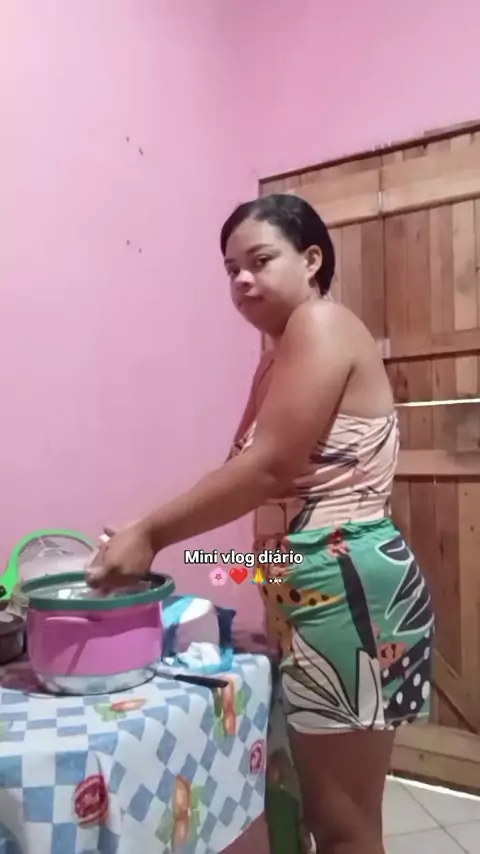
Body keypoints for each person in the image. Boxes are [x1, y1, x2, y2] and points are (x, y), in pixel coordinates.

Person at [88, 194, 435, 854]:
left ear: (312, 260)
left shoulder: (323, 323)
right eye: (230, 269)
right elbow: (253, 484)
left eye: (260, 260)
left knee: (344, 828)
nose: (242, 279)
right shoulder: (275, 359)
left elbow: (270, 469)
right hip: (311, 588)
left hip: (349, 591)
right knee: (311, 814)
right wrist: (200, 565)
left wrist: (152, 535)